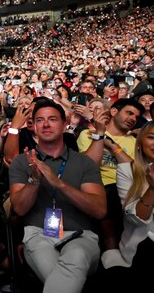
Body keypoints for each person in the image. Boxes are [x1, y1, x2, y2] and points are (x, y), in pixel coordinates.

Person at [8, 100, 106, 293]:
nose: (46, 124)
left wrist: (59, 183)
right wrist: (35, 181)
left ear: (64, 124)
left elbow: (99, 209)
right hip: (39, 235)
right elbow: (19, 208)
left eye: (52, 119)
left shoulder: (84, 163)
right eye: (40, 120)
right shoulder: (23, 162)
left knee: (76, 256)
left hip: (81, 236)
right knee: (64, 273)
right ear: (34, 127)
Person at [77, 98, 144, 250]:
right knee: (109, 192)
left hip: (130, 188)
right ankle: (111, 251)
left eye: (136, 117)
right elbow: (89, 166)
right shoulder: (88, 134)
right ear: (113, 111)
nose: (133, 119)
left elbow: (135, 170)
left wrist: (113, 146)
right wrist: (100, 137)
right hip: (100, 187)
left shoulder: (135, 141)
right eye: (129, 113)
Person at [99, 121, 154, 290]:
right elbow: (135, 219)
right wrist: (152, 188)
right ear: (140, 143)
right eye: (152, 138)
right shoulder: (127, 170)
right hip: (142, 249)